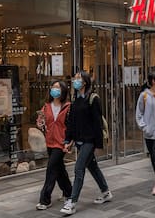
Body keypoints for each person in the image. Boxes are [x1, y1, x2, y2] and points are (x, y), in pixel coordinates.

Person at [60, 71, 113, 215]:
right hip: (79, 140)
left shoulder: (93, 98)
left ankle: (72, 202)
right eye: (74, 78)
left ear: (85, 82)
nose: (75, 81)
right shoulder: (75, 99)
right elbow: (71, 122)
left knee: (78, 169)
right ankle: (106, 192)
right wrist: (68, 140)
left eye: (78, 78)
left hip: (89, 141)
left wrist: (98, 144)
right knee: (93, 167)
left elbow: (97, 124)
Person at [35, 80, 72, 210]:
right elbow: (40, 122)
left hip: (61, 143)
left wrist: (69, 141)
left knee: (51, 169)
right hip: (49, 142)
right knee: (59, 169)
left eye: (57, 88)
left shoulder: (68, 107)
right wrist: (39, 123)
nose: (54, 90)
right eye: (53, 87)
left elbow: (71, 126)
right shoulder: (46, 107)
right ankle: (69, 192)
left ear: (63, 91)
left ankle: (45, 199)